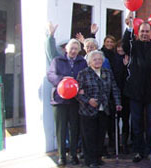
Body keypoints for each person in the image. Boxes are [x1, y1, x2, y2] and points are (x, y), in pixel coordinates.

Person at [122, 13, 151, 163]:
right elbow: (125, 45)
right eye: (142, 31)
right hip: (135, 91)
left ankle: (150, 149)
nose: (144, 34)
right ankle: (138, 150)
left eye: (147, 31)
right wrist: (129, 27)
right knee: (136, 123)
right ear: (138, 32)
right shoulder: (133, 46)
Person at [75, 50, 122, 168]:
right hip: (87, 110)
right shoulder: (83, 73)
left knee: (100, 135)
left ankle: (98, 157)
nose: (97, 61)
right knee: (89, 136)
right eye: (95, 59)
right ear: (90, 61)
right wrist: (88, 100)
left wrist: (118, 103)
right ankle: (90, 160)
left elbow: (114, 88)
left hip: (103, 109)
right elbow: (77, 93)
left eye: (100, 59)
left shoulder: (107, 72)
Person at [47, 38, 88, 166]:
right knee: (61, 128)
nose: (73, 51)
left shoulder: (82, 62)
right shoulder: (57, 60)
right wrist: (62, 80)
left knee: (75, 128)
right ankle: (61, 156)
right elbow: (50, 75)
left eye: (76, 48)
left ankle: (73, 154)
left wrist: (80, 87)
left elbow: (86, 76)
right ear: (66, 49)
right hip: (60, 100)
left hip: (76, 101)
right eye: (71, 48)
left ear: (79, 50)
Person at [114, 40, 130, 154]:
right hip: (115, 94)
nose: (120, 49)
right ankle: (114, 143)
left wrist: (126, 66)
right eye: (118, 47)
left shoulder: (129, 59)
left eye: (122, 48)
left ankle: (124, 143)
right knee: (114, 120)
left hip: (126, 94)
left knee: (125, 120)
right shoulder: (113, 59)